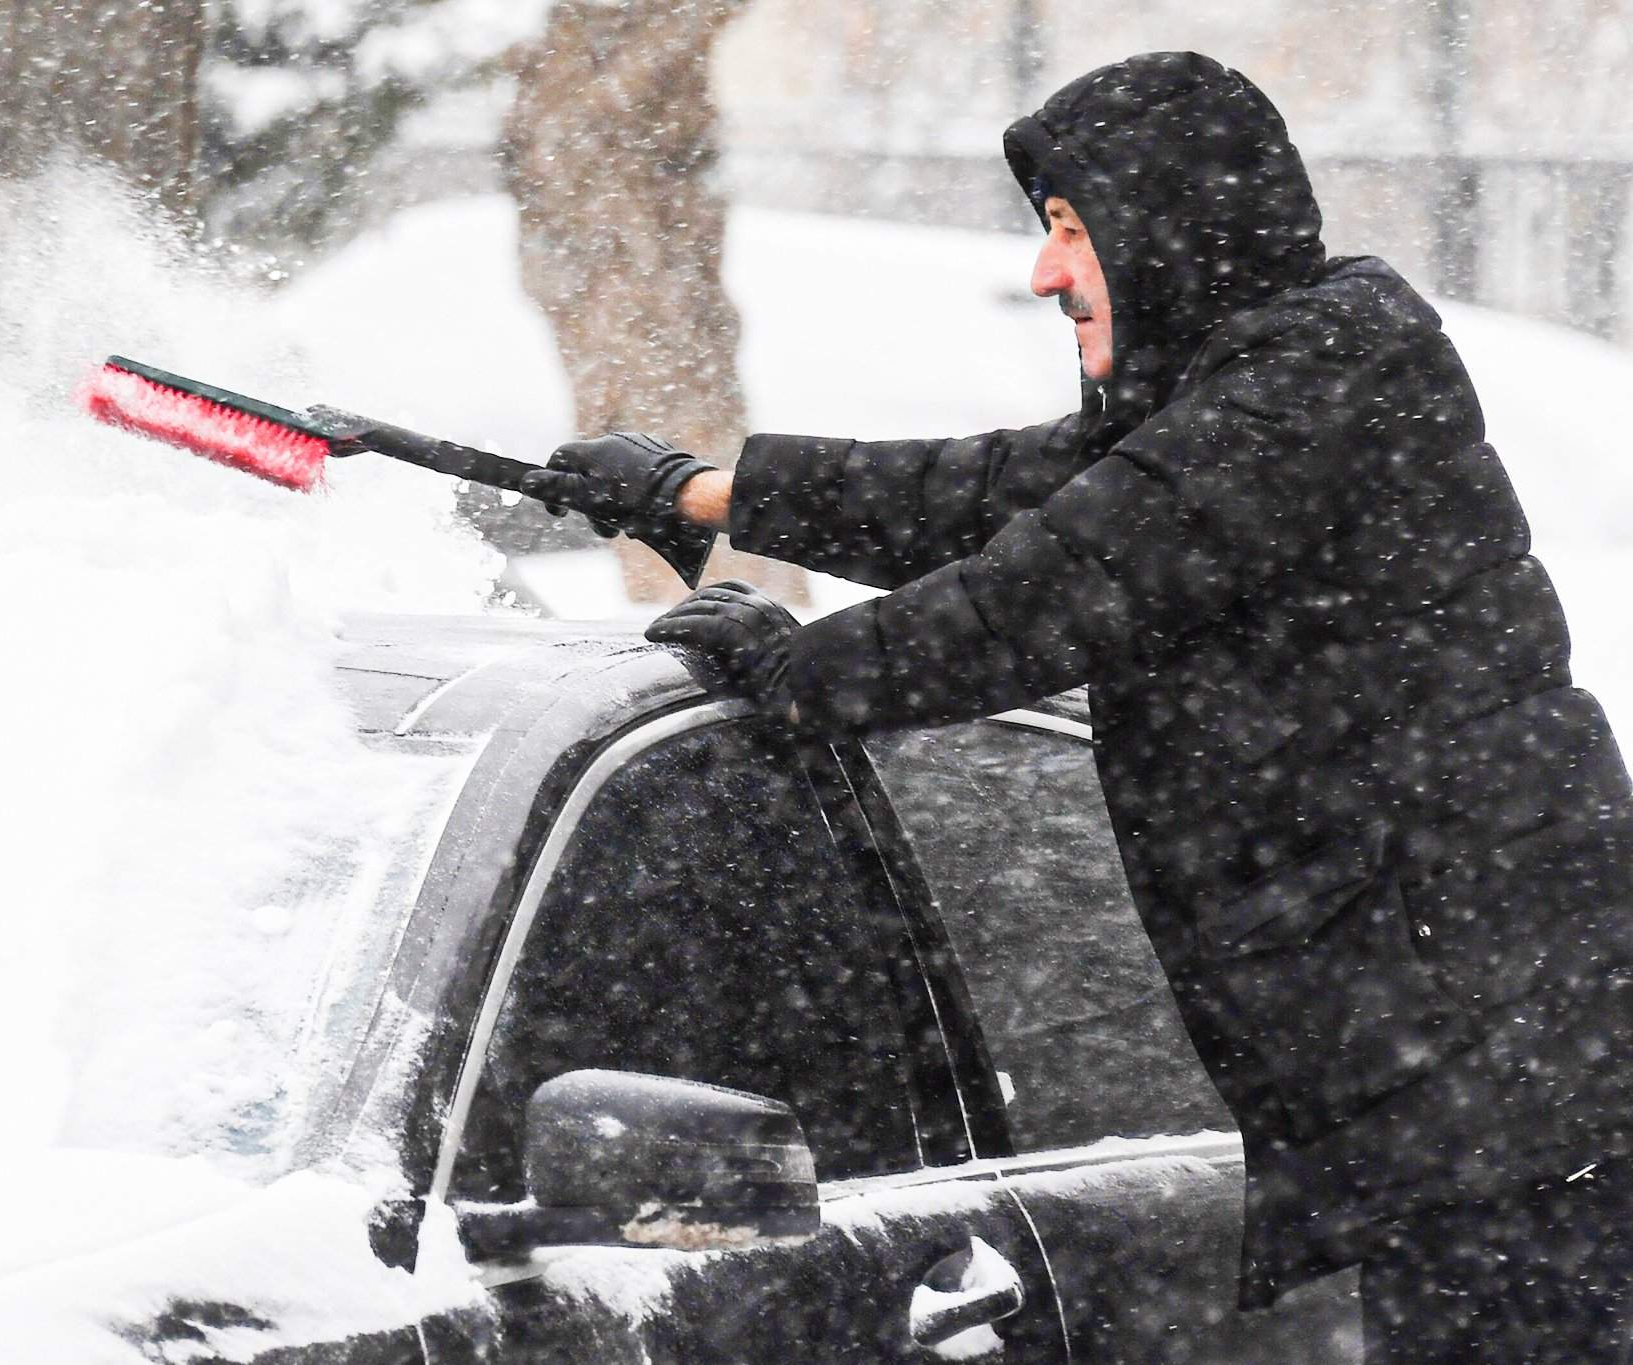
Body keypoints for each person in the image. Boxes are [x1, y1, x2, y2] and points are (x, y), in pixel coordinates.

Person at [522, 50, 1633, 1364]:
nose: (1050, 274)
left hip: (1515, 1114)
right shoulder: (1257, 394)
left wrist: (801, 672)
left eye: (1069, 231)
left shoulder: (1311, 394)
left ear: (1169, 228)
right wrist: (706, 494)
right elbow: (990, 496)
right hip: (1478, 1110)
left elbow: (1041, 592)